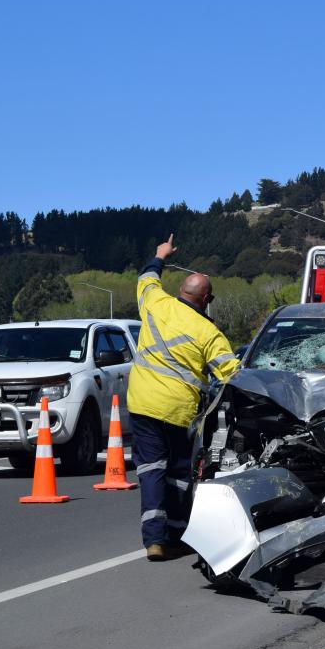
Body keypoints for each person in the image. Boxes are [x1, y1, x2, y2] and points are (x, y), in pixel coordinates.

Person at [128, 234, 240, 560]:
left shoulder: (154, 302)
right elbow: (232, 375)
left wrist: (161, 254)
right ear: (206, 299)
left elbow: (147, 277)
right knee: (178, 474)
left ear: (180, 291)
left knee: (151, 471)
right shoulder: (209, 333)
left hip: (143, 405)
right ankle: (177, 534)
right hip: (178, 412)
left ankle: (154, 540)